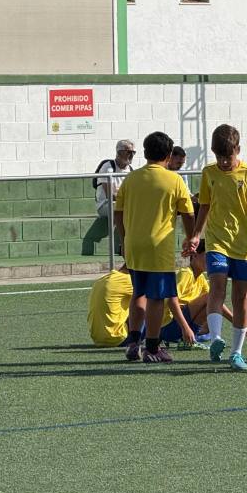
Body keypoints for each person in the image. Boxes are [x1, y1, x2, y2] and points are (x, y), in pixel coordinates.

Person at [185, 124, 247, 371]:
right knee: (217, 286)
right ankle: (216, 339)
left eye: (228, 157)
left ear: (238, 150)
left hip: (243, 246)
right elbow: (204, 205)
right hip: (217, 242)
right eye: (219, 157)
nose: (224, 162)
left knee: (241, 297)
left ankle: (236, 352)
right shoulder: (209, 173)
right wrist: (196, 235)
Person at [114, 131, 195, 363]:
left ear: (145, 152)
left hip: (134, 245)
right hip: (158, 248)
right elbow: (188, 214)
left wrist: (124, 239)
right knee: (157, 298)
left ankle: (133, 343)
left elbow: (118, 213)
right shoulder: (174, 180)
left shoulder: (131, 179)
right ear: (169, 155)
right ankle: (152, 347)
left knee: (138, 293)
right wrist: (191, 237)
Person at [82, 139, 135, 255]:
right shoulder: (108, 167)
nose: (131, 155)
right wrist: (125, 197)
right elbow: (111, 195)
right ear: (119, 152)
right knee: (124, 211)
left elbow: (132, 194)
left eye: (133, 152)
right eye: (128, 152)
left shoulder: (131, 170)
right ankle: (123, 247)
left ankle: (128, 246)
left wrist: (123, 195)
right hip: (105, 205)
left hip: (122, 204)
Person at [87, 264, 138, 347]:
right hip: (119, 338)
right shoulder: (128, 280)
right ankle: (154, 344)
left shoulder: (103, 279)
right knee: (153, 301)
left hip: (97, 339)